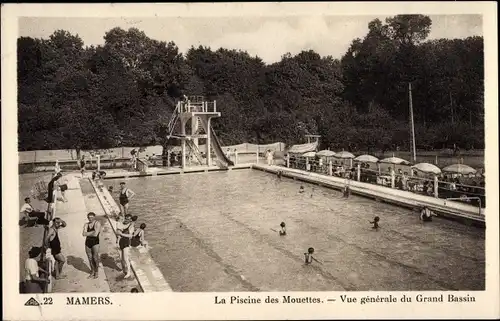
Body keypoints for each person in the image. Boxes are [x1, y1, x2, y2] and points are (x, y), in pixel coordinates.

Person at [82, 212, 101, 279]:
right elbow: (83, 234)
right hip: (88, 242)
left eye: (92, 217)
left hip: (95, 243)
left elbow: (96, 234)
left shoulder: (97, 223)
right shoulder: (86, 224)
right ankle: (92, 271)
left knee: (95, 258)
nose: (90, 219)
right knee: (90, 259)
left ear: (94, 217)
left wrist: (88, 233)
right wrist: (92, 232)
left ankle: (96, 272)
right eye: (89, 217)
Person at [117, 214, 135, 278]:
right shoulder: (123, 224)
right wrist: (118, 241)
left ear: (130, 220)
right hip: (121, 242)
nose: (127, 220)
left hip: (126, 242)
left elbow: (130, 236)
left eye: (128, 219)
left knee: (125, 258)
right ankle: (124, 269)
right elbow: (118, 233)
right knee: (121, 258)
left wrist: (121, 234)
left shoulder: (131, 227)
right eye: (126, 218)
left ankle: (129, 272)